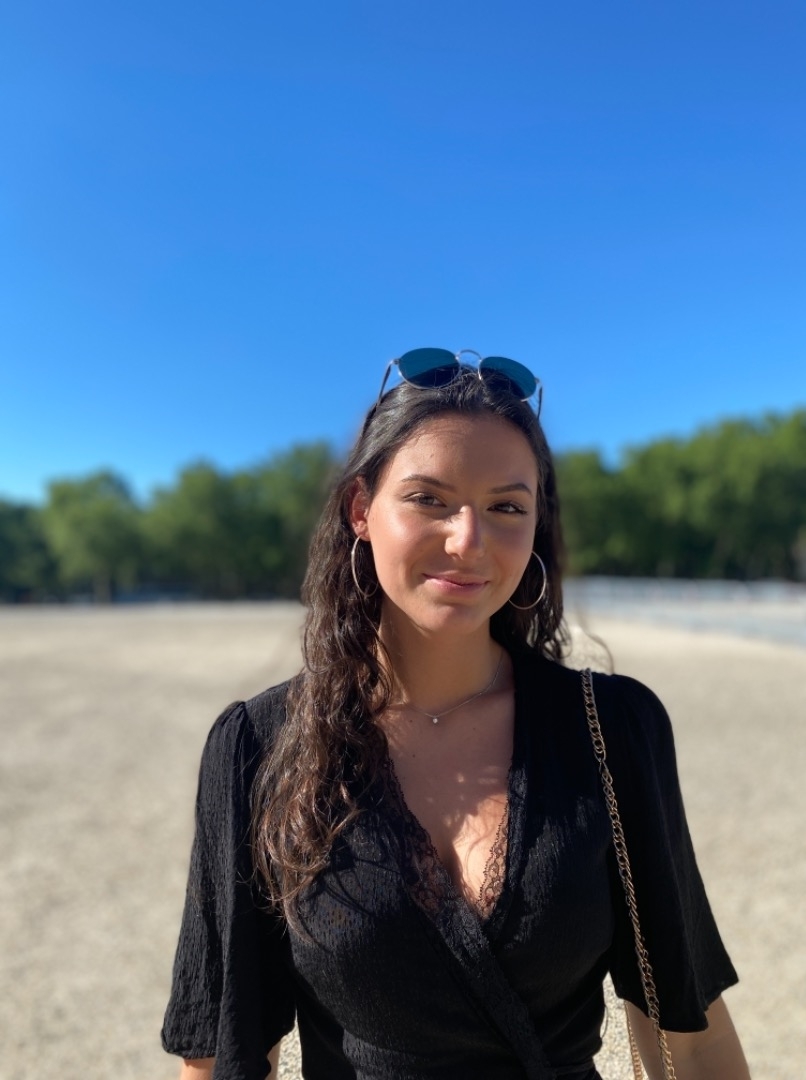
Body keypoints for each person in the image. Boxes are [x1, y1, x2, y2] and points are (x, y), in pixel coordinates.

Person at [162, 349, 750, 1080]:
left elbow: (688, 1034)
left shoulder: (613, 728)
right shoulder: (259, 745)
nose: (468, 540)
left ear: (536, 525)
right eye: (429, 499)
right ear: (360, 510)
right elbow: (222, 1054)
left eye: (506, 507)